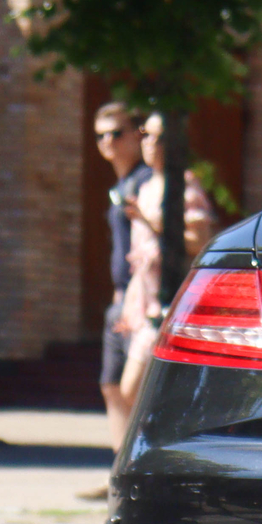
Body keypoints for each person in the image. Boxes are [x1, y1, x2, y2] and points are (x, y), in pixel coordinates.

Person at [111, 112, 216, 420]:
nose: (150, 143)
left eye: (159, 137)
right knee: (132, 391)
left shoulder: (184, 184)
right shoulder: (146, 187)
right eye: (146, 135)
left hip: (174, 306)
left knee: (134, 390)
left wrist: (149, 220)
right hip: (147, 306)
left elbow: (199, 240)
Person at [85, 105, 153, 497]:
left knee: (133, 388)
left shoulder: (146, 182)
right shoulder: (122, 183)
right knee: (111, 385)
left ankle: (139, 474)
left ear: (137, 134)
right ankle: (119, 473)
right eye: (100, 135)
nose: (108, 142)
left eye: (117, 133)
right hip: (121, 300)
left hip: (141, 304)